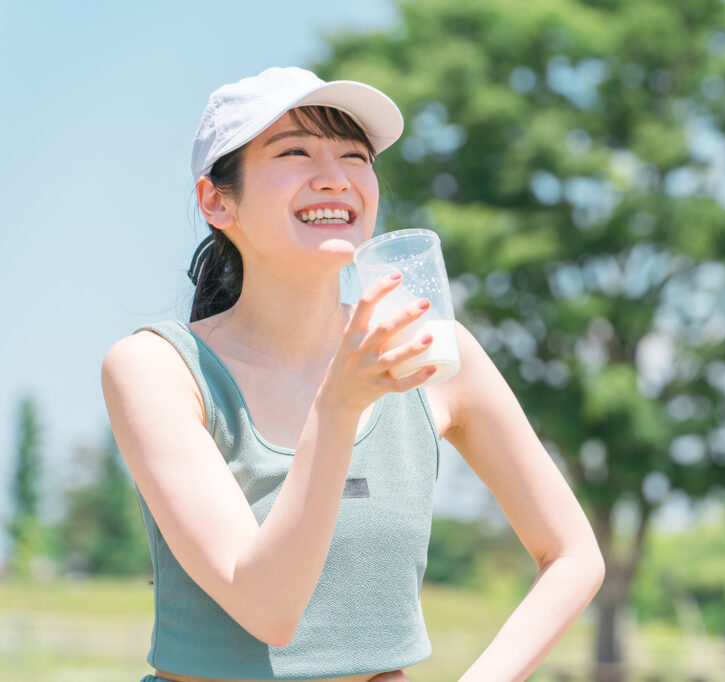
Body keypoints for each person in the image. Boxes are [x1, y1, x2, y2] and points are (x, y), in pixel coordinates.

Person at [100, 66, 604, 682]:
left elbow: (574, 556)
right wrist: (339, 404)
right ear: (217, 201)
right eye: (294, 152)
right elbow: (268, 610)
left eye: (354, 157)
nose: (335, 178)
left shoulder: (434, 350)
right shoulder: (158, 368)